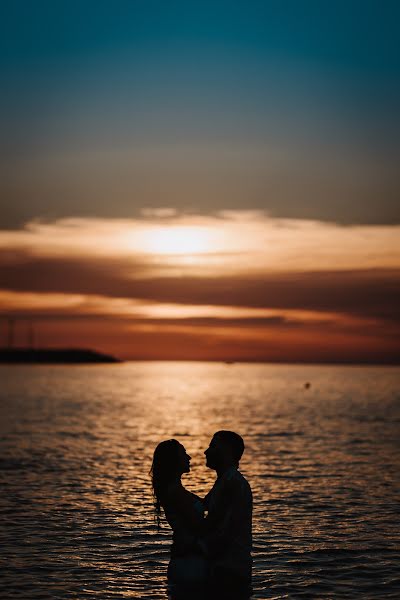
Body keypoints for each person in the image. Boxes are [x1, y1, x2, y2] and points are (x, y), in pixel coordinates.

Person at [150, 439, 208, 597]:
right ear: (173, 460)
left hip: (188, 559)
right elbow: (199, 526)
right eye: (184, 454)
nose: (189, 458)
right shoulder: (174, 493)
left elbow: (206, 505)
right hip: (188, 563)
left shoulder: (177, 491)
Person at [202, 430, 253, 599]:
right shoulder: (224, 480)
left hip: (229, 571)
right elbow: (202, 506)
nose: (206, 451)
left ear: (227, 451)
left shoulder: (232, 483)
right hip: (225, 567)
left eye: (213, 446)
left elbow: (228, 530)